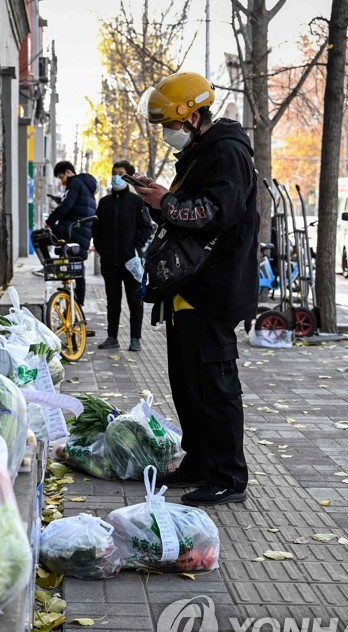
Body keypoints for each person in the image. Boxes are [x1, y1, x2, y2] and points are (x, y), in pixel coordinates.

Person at [130, 71, 259, 507]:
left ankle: (228, 476)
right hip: (187, 293)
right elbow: (184, 216)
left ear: (191, 116)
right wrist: (159, 202)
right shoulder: (201, 153)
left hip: (213, 290)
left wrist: (164, 201)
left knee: (216, 386)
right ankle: (200, 461)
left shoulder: (227, 153)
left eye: (170, 124)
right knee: (188, 385)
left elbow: (213, 213)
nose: (167, 133)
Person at [93, 160, 153, 352]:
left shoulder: (136, 202)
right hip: (110, 262)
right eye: (114, 172)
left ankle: (135, 338)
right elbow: (97, 229)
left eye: (121, 173)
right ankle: (112, 337)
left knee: (135, 301)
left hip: (131, 262)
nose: (116, 176)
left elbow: (147, 227)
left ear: (128, 177)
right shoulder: (104, 202)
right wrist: (102, 249)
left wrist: (136, 247)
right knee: (113, 301)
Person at [45, 160, 97, 310]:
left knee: (39, 236)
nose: (62, 182)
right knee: (78, 267)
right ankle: (79, 305)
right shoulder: (87, 187)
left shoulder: (75, 183)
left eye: (61, 177)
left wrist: (50, 221)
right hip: (83, 233)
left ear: (68, 172)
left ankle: (48, 265)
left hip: (71, 230)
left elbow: (67, 205)